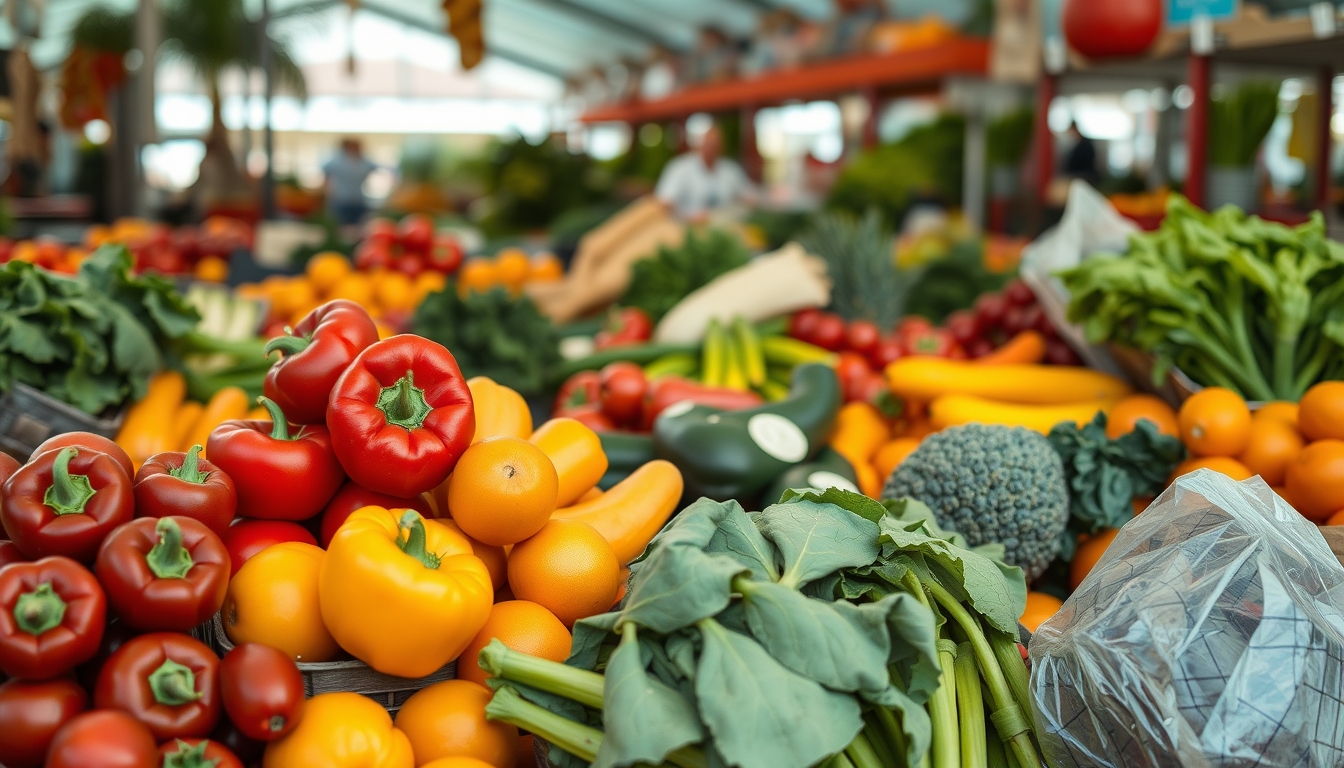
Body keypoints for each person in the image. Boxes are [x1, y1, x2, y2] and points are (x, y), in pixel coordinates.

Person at [654, 123, 756, 221]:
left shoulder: (730, 170)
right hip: (686, 227)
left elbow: (749, 195)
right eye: (708, 144)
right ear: (699, 144)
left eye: (715, 145)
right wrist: (689, 217)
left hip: (724, 226)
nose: (711, 148)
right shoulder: (679, 168)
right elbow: (664, 202)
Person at [323, 138, 377, 225]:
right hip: (341, 200)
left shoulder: (363, 162)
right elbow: (326, 177)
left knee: (359, 226)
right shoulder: (337, 161)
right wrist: (327, 194)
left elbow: (377, 168)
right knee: (342, 226)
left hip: (359, 200)